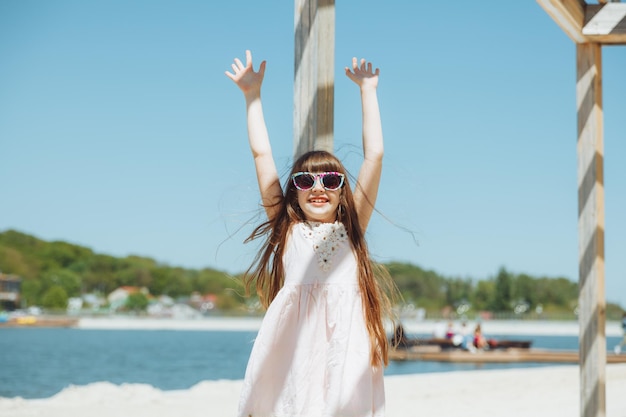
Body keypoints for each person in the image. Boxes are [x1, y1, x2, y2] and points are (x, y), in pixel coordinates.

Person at [225, 50, 396, 417]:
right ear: (294, 192)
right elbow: (261, 155)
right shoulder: (287, 228)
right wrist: (251, 97)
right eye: (305, 180)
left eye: (331, 180)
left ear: (341, 191)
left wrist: (368, 90)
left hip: (345, 346)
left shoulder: (351, 231)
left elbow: (375, 155)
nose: (318, 188)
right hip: (294, 349)